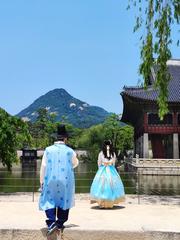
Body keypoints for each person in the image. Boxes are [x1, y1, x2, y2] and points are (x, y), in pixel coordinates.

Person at [39, 124, 79, 236]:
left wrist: (42, 181)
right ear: (65, 138)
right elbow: (75, 163)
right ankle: (60, 222)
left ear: (56, 138)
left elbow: (43, 166)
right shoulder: (70, 151)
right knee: (64, 200)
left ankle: (51, 222)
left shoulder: (48, 150)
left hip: (50, 178)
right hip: (65, 180)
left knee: (49, 199)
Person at [90, 140, 125, 208]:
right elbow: (114, 163)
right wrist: (112, 166)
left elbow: (99, 162)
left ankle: (102, 203)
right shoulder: (113, 153)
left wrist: (100, 169)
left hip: (103, 169)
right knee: (112, 185)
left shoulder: (101, 153)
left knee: (101, 186)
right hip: (111, 169)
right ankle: (110, 202)